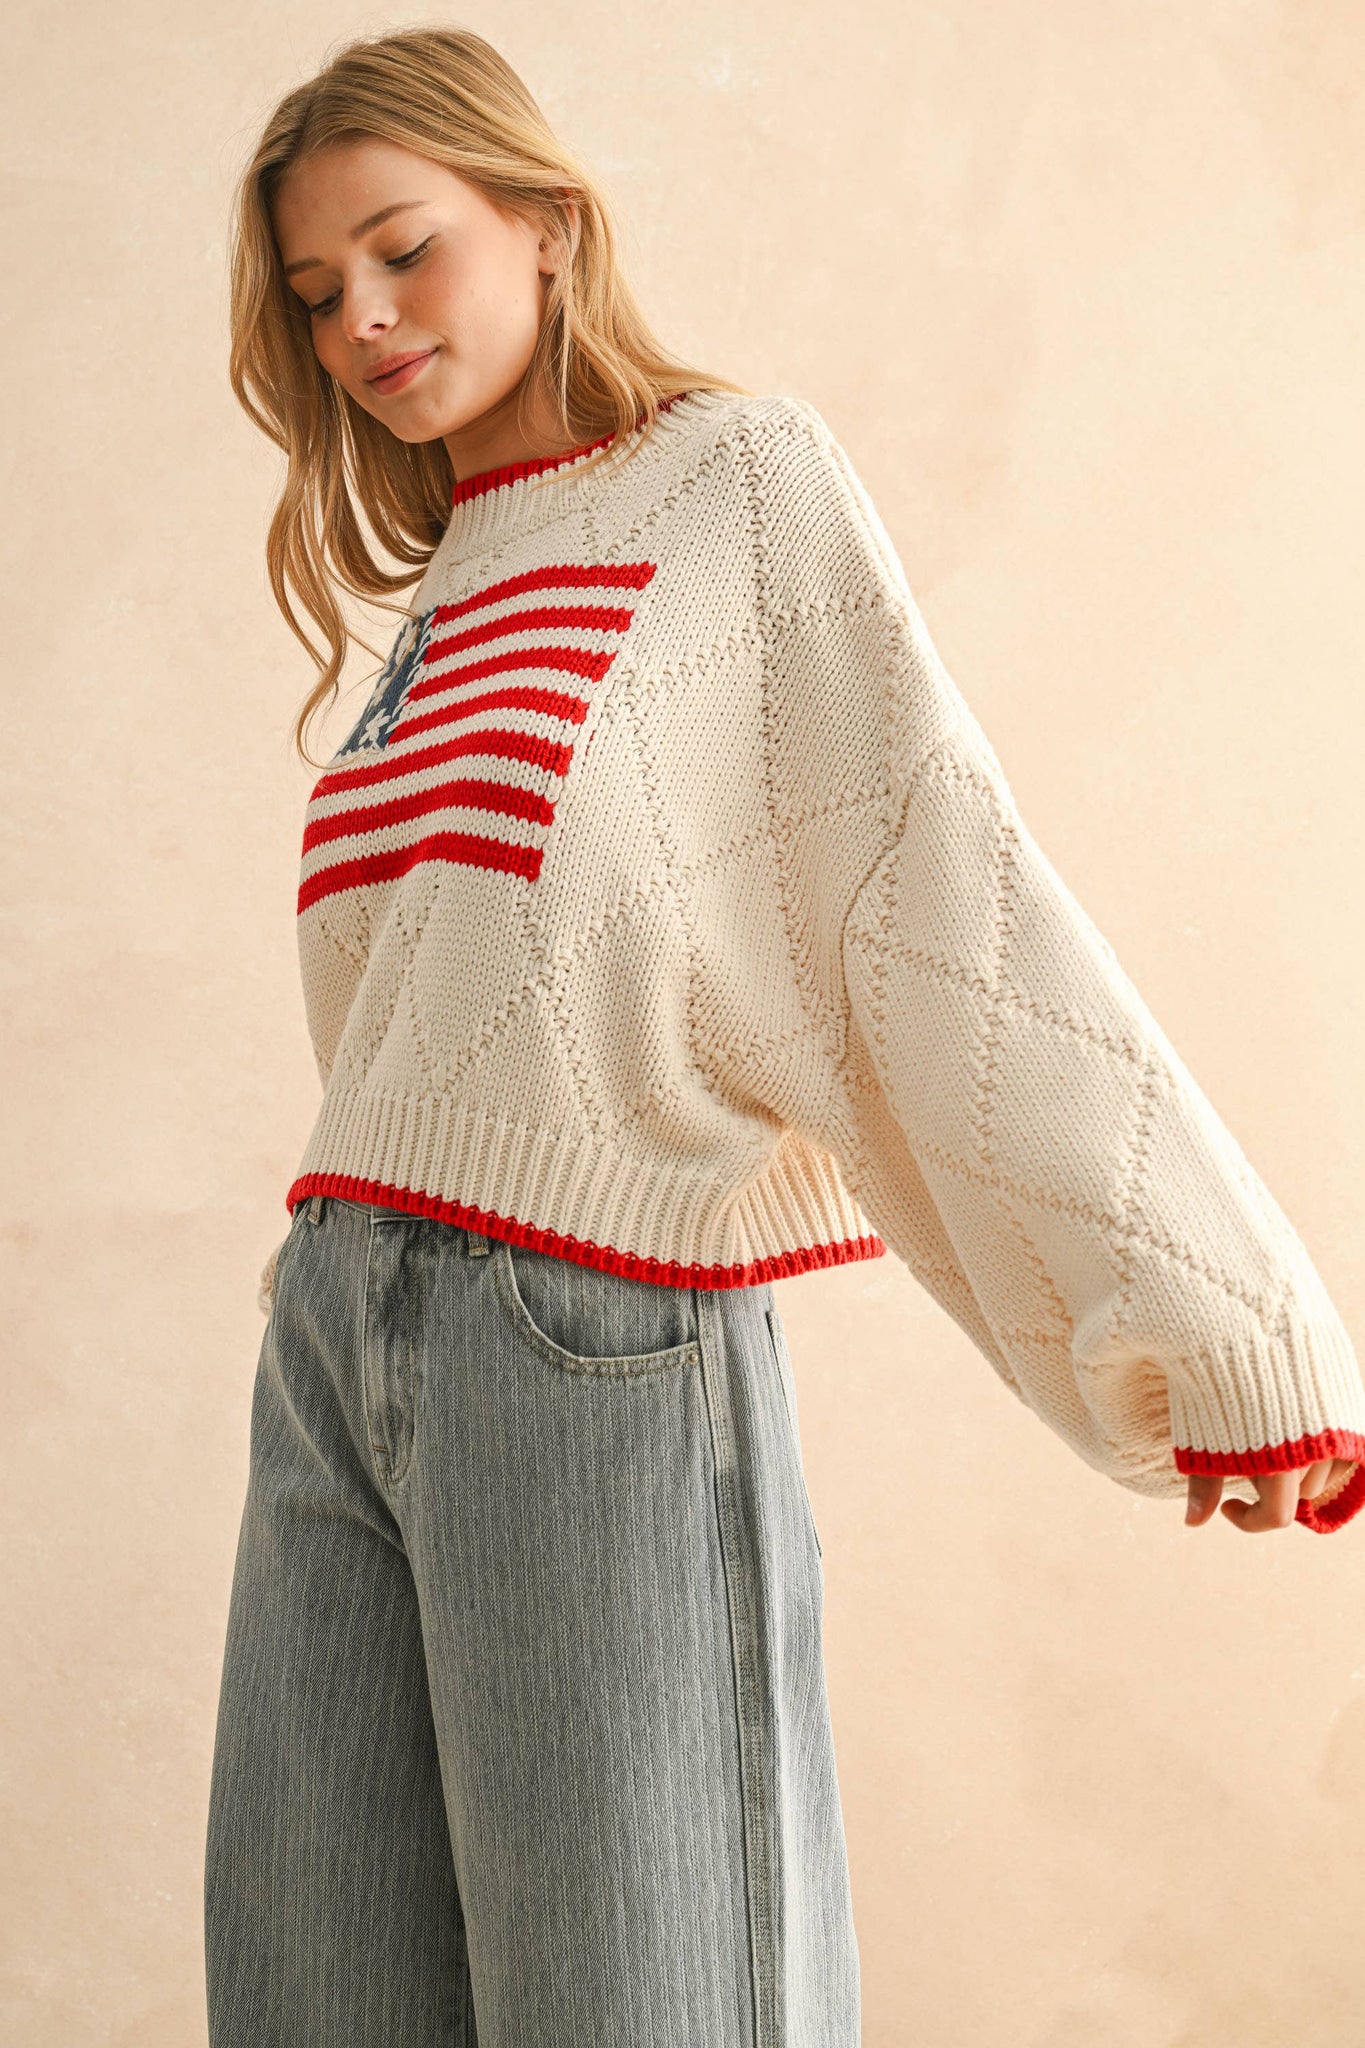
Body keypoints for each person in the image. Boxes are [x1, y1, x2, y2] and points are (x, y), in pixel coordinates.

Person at [203, 24, 1365, 2048]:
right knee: (315, 1998)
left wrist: (1226, 1326)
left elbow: (937, 895)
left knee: (646, 2008)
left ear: (542, 225)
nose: (361, 321)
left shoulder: (731, 486)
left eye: (401, 250)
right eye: (315, 295)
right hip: (334, 1330)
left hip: (585, 1331)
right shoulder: (451, 581)